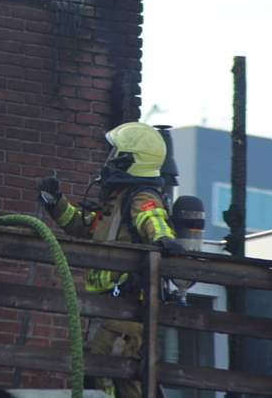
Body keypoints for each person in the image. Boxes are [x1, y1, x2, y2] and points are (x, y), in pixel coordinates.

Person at [36, 121, 186, 398]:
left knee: (112, 372)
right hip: (106, 306)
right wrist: (56, 202)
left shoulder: (141, 196)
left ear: (130, 160)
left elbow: (153, 218)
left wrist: (162, 238)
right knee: (104, 372)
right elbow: (84, 228)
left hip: (126, 308)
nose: (109, 159)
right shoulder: (115, 199)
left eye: (115, 152)